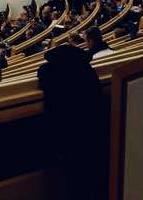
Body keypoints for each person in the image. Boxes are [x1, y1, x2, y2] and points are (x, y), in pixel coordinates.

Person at [36, 45, 107, 199]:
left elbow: (42, 73)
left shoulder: (51, 73)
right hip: (93, 136)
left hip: (65, 140)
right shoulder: (88, 72)